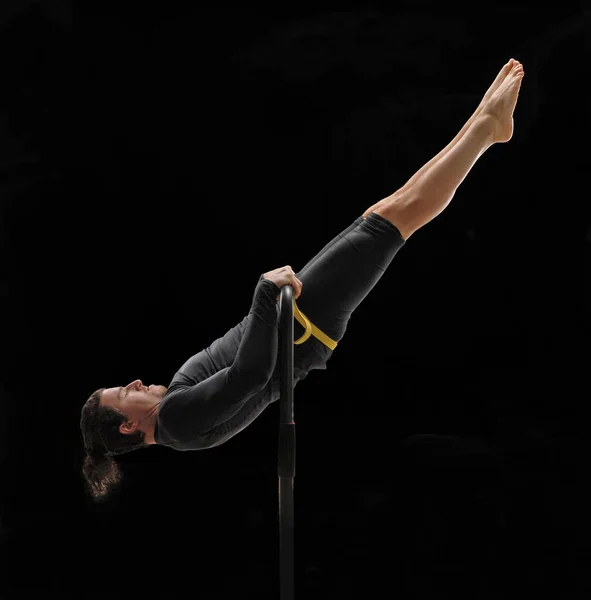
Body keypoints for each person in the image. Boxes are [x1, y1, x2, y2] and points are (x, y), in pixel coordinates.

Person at [80, 59, 525, 501]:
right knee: (393, 220)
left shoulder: (177, 421)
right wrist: (265, 292)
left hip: (302, 323)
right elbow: (250, 374)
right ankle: (486, 127)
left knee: (388, 213)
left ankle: (486, 125)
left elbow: (246, 371)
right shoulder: (175, 420)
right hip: (303, 322)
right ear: (127, 425)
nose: (135, 383)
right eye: (124, 392)